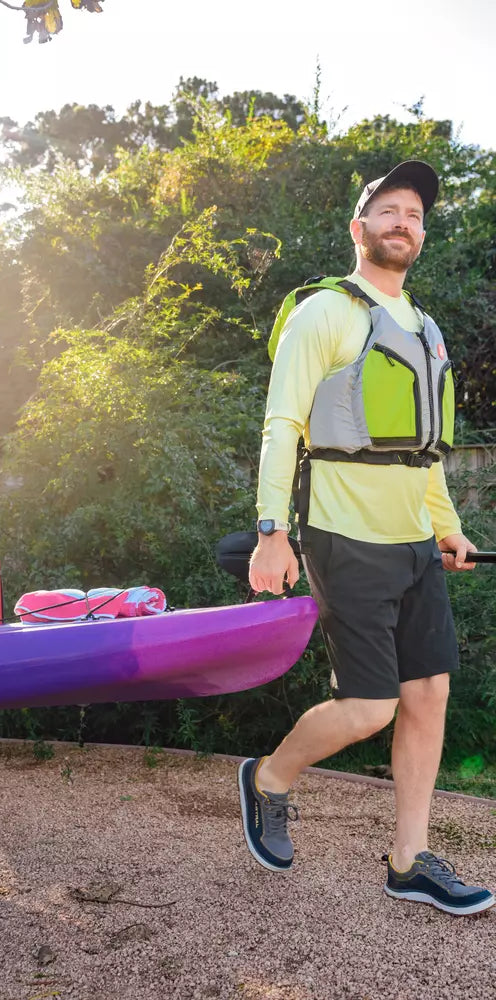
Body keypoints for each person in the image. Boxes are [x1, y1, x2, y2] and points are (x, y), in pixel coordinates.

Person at [240, 160, 494, 916]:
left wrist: (447, 530)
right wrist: (270, 532)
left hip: (414, 542)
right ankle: (266, 780)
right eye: (388, 210)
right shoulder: (326, 313)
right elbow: (281, 425)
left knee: (429, 696)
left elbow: (425, 454)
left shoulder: (427, 330)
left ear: (422, 233)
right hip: (344, 534)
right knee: (370, 706)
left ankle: (409, 859)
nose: (402, 222)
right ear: (360, 227)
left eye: (414, 214)